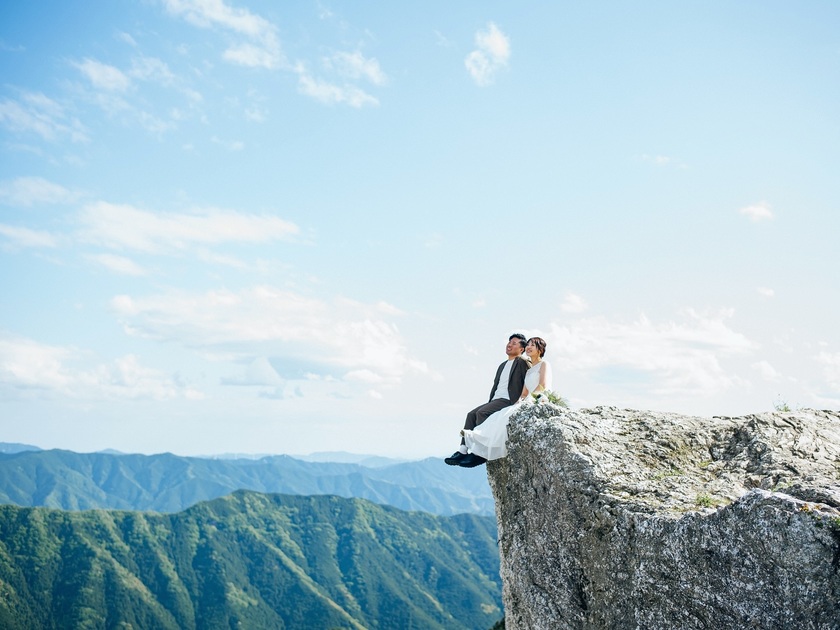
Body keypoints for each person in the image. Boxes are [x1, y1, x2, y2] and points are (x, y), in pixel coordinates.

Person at [444, 333, 529, 468]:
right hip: (496, 399)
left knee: (482, 413)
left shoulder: (522, 362)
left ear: (521, 349)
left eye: (514, 343)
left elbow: (529, 380)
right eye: (509, 342)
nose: (509, 345)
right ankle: (463, 450)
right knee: (471, 415)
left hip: (508, 399)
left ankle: (480, 453)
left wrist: (522, 400)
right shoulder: (502, 365)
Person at [462, 336, 552, 463]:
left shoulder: (543, 364)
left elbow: (542, 385)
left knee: (492, 416)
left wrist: (529, 400)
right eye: (529, 345)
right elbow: (524, 392)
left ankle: (482, 451)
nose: (529, 347)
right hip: (523, 400)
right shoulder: (529, 370)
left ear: (540, 349)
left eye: (533, 345)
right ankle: (466, 446)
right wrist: (518, 402)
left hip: (536, 399)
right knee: (490, 416)